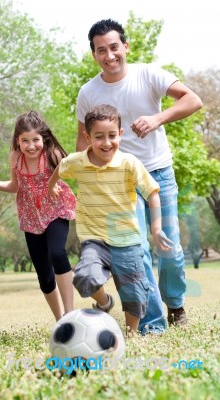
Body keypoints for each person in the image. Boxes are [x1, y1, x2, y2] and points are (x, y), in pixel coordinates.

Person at [76, 19, 203, 333]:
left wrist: (158, 118)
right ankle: (152, 321)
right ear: (94, 54)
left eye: (114, 47)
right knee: (136, 253)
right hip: (119, 183)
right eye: (101, 50)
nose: (109, 55)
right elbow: (83, 142)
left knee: (169, 248)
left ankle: (175, 304)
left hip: (159, 174)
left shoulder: (149, 73)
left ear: (125, 46)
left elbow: (193, 100)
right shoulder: (88, 92)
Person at [48, 104, 172, 333]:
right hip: (94, 238)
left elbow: (153, 193)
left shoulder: (129, 163)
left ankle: (132, 334)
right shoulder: (78, 161)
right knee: (85, 277)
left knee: (134, 292)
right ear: (87, 137)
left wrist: (156, 228)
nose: (106, 143)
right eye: (99, 137)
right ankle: (104, 302)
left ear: (120, 135)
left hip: (127, 239)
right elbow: (60, 168)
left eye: (112, 136)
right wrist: (51, 186)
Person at [0, 110, 76, 321]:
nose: (31, 145)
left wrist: (54, 184)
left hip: (55, 211)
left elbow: (72, 171)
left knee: (57, 253)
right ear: (18, 141)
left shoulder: (53, 154)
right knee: (44, 275)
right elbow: (14, 186)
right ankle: (60, 320)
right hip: (31, 218)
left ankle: (71, 314)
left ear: (43, 138)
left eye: (35, 140)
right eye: (24, 140)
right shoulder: (16, 158)